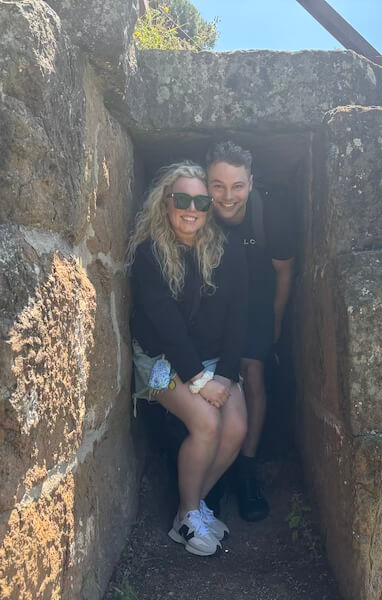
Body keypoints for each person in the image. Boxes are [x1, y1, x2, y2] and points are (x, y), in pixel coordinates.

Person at [128, 161, 248, 556]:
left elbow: (237, 316)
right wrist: (200, 381)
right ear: (166, 203)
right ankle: (192, 512)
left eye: (200, 201)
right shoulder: (149, 255)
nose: (191, 208)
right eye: (182, 199)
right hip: (163, 360)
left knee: (235, 430)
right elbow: (167, 327)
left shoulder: (223, 250)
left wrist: (227, 377)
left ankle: (188, 513)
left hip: (215, 363)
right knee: (208, 423)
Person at [206, 142, 295, 522]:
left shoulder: (270, 216)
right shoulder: (197, 209)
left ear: (251, 183)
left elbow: (284, 272)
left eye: (238, 186)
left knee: (252, 375)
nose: (228, 197)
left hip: (256, 301)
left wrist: (276, 321)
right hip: (210, 301)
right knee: (209, 375)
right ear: (205, 183)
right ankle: (213, 466)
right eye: (218, 186)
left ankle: (246, 467)